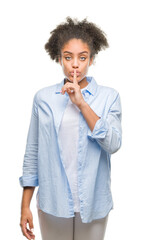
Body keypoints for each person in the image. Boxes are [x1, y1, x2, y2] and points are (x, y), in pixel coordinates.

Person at [19, 17, 122, 240]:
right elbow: (32, 153)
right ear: (59, 59)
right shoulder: (43, 99)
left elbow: (113, 144)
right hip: (53, 203)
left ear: (91, 60)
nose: (75, 64)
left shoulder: (109, 97)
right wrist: (25, 205)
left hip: (94, 203)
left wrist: (82, 104)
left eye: (82, 57)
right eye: (68, 57)